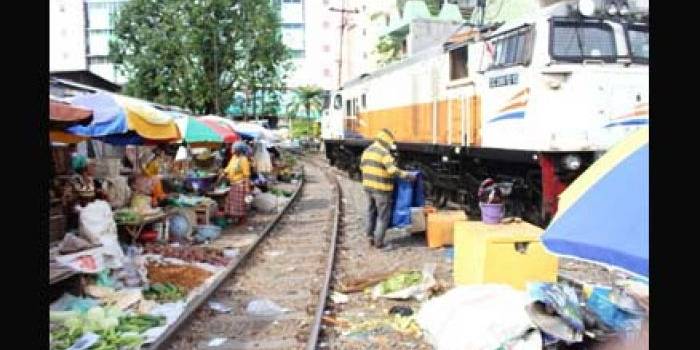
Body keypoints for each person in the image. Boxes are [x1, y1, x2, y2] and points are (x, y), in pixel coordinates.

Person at [360, 129, 415, 249]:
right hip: (381, 188)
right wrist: (407, 175)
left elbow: (362, 166)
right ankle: (379, 243)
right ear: (386, 141)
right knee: (382, 216)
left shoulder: (367, 151)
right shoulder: (384, 153)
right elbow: (392, 170)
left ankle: (369, 237)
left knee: (371, 212)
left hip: (368, 187)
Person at [218, 141, 252, 224]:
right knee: (233, 203)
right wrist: (220, 176)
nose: (231, 149)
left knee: (240, 204)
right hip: (234, 184)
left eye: (233, 148)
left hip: (241, 184)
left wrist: (247, 188)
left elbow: (246, 175)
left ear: (238, 150)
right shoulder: (234, 158)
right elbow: (228, 168)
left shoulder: (243, 160)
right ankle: (236, 218)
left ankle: (242, 219)